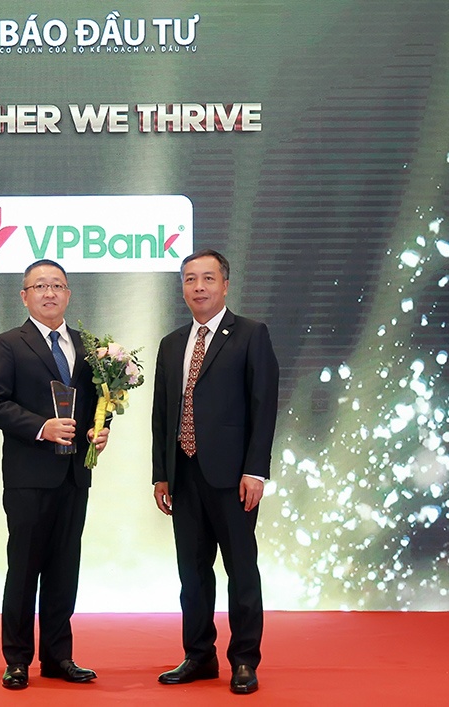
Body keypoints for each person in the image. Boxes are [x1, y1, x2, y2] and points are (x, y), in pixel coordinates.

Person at [151, 249, 279, 695]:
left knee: (241, 571)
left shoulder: (250, 334)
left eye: (208, 278)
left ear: (225, 284)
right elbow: (162, 414)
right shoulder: (171, 343)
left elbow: (264, 406)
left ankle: (244, 659)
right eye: (190, 279)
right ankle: (199, 655)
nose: (199, 287)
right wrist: (161, 473)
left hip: (233, 477)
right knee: (192, 573)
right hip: (184, 474)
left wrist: (256, 471)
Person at [0, 259, 110, 690]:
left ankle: (58, 656)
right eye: (40, 286)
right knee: (24, 569)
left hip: (74, 474)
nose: (49, 293)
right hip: (29, 476)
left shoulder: (89, 346)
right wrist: (41, 427)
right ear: (24, 296)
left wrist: (101, 428)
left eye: (57, 285)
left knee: (64, 568)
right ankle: (17, 659)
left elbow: (100, 401)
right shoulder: (8, 344)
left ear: (68, 294)